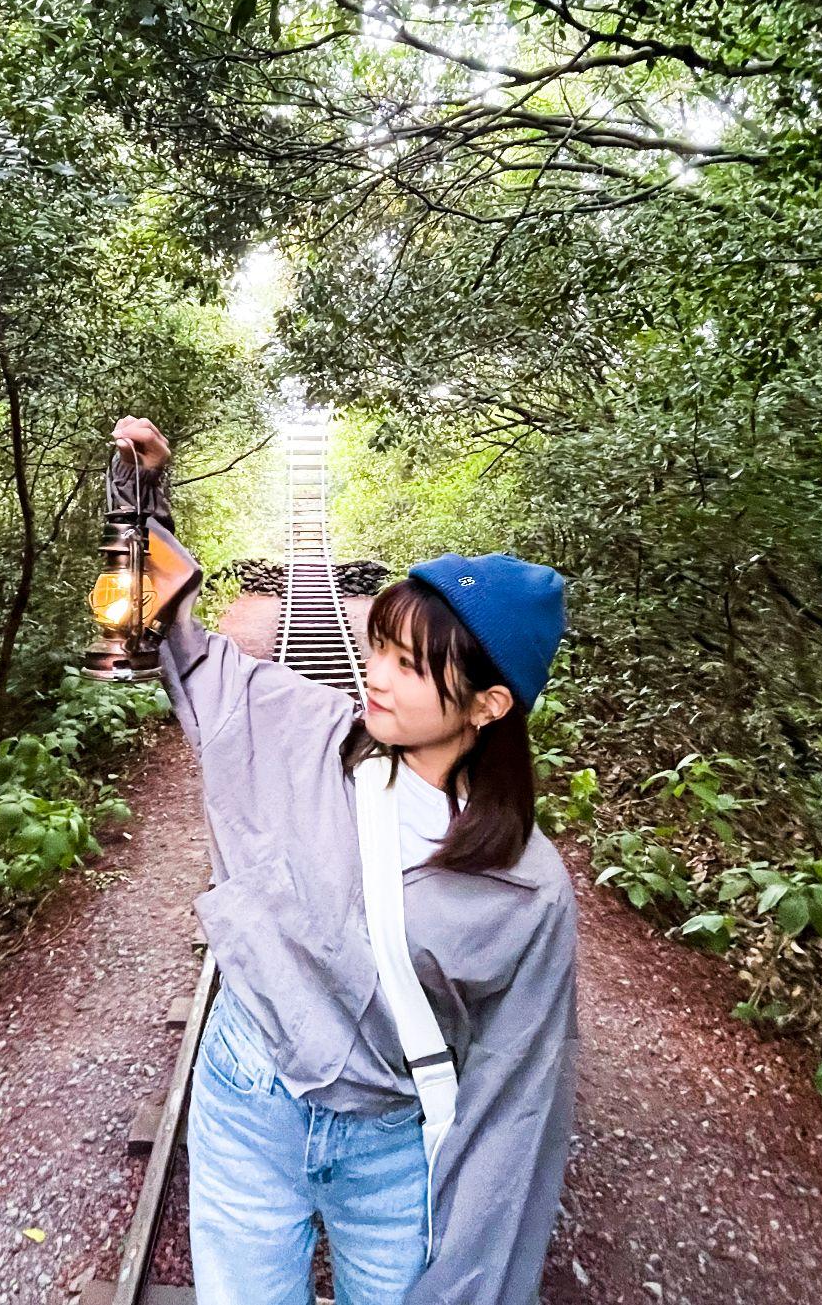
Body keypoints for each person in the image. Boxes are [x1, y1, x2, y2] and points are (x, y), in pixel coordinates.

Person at [107, 416, 578, 1305]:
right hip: (247, 1097)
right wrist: (139, 497)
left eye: (410, 664)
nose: (377, 675)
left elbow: (520, 1101)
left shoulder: (527, 886)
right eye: (379, 649)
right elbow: (176, 645)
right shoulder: (305, 731)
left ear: (488, 704)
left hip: (394, 1143)